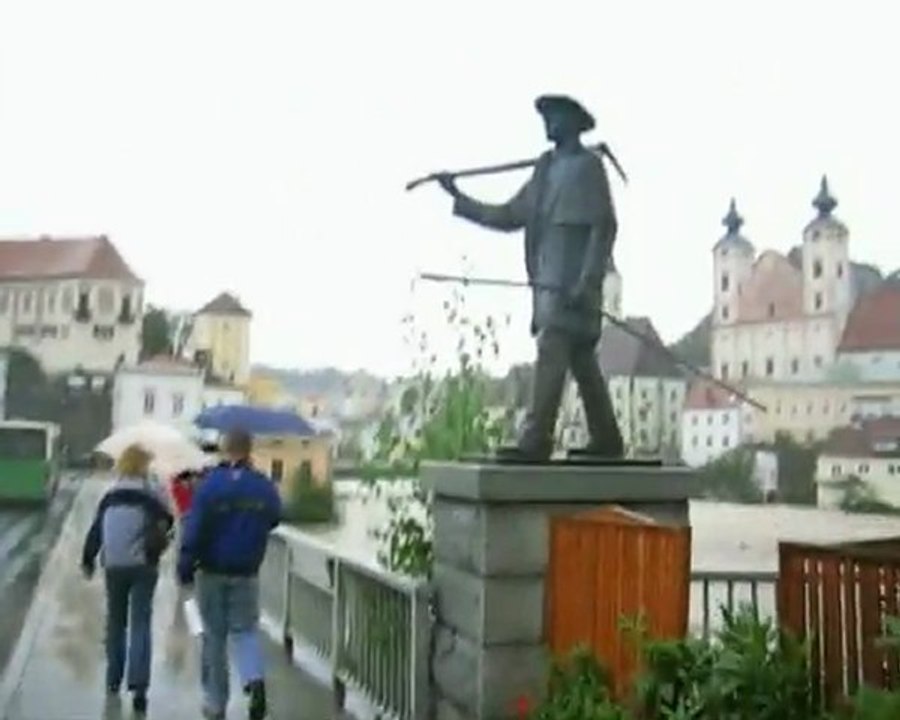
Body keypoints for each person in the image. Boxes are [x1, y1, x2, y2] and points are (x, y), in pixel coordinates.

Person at [436, 94, 625, 461]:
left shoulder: (589, 167)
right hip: (549, 285)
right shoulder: (544, 171)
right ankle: (607, 439)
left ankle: (536, 439)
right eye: (545, 118)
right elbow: (508, 215)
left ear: (573, 122)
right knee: (583, 362)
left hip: (574, 288)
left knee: (553, 351)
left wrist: (587, 283)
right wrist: (459, 197)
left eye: (554, 117)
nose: (547, 123)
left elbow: (604, 227)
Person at [177, 429, 282, 720]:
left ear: (225, 449)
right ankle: (253, 679)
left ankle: (216, 703)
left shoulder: (211, 486)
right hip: (247, 571)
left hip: (212, 570)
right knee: (246, 631)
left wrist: (185, 566)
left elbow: (195, 529)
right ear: (249, 450)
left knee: (213, 637)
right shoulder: (263, 486)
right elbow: (274, 516)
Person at [81, 443, 174, 716]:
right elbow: (168, 522)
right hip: (143, 565)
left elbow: (96, 530)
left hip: (114, 566)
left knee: (116, 622)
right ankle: (139, 689)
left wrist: (87, 559)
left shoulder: (109, 495)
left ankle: (113, 680)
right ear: (144, 466)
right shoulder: (152, 495)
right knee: (141, 623)